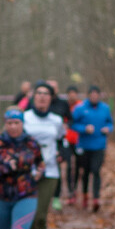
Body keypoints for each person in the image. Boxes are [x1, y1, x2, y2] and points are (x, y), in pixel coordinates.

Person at [23, 83, 65, 229]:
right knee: (30, 216)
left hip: (50, 172)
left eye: (45, 94)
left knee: (40, 216)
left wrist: (62, 155)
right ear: (34, 97)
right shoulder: (25, 118)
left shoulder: (56, 120)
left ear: (51, 98)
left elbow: (63, 142)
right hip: (28, 173)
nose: (41, 97)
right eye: (38, 93)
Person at [71, 85, 113, 212]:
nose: (94, 96)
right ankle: (85, 195)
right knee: (86, 172)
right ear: (88, 95)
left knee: (96, 170)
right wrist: (84, 129)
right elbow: (72, 124)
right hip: (84, 146)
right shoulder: (80, 108)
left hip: (99, 145)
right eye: (92, 94)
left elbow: (110, 123)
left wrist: (108, 129)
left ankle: (96, 198)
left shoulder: (105, 108)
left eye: (96, 94)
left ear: (99, 96)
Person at [44, 80, 73, 210]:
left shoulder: (62, 103)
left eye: (54, 87)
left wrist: (67, 125)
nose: (52, 89)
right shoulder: (41, 102)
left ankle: (56, 198)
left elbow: (70, 118)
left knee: (57, 170)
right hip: (42, 143)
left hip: (59, 142)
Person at [63, 85, 82, 204]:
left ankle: (75, 189)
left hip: (79, 140)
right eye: (70, 93)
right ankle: (70, 192)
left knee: (79, 167)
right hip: (67, 141)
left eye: (74, 93)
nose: (72, 96)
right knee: (69, 166)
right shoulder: (64, 107)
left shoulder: (81, 106)